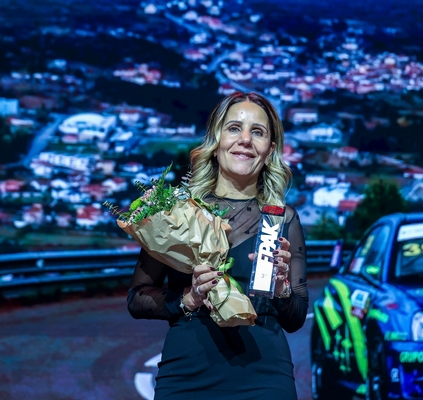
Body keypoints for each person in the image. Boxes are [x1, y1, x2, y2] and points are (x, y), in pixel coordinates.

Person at [127, 91, 308, 399]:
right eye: (234, 128)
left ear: (270, 150)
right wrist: (189, 298)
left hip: (265, 380)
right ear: (216, 141)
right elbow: (137, 298)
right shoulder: (175, 212)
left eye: (258, 132)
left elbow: (296, 317)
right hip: (186, 377)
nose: (245, 140)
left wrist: (281, 289)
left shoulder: (281, 219)